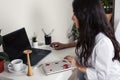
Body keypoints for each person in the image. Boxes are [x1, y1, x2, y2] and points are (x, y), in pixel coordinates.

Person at [63, 0, 120, 80]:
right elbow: (80, 44)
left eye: (75, 13)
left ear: (86, 16)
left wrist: (78, 66)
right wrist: (64, 46)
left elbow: (102, 77)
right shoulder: (90, 34)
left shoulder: (103, 43)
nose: (72, 17)